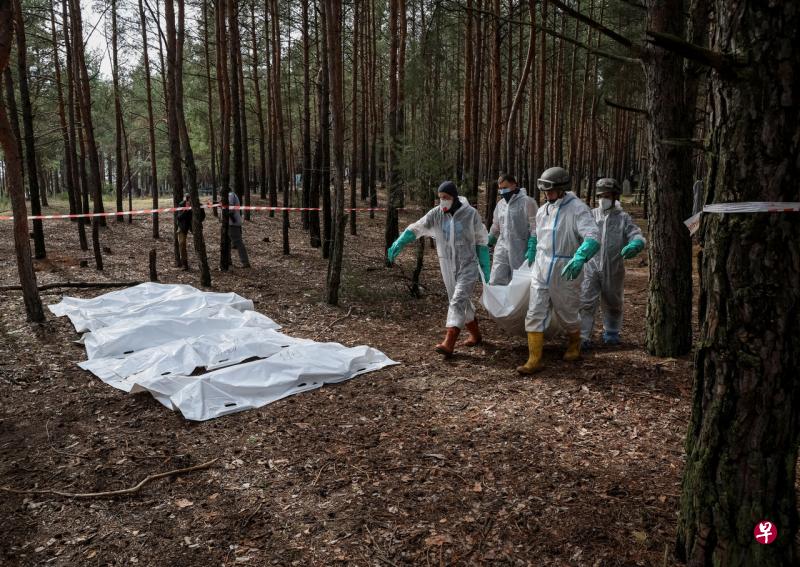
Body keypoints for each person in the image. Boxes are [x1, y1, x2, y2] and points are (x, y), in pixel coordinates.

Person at [387, 181, 490, 356]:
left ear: (455, 197)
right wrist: (401, 240)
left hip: (468, 264)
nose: (442, 201)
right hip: (447, 265)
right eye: (440, 198)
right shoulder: (436, 214)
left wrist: (485, 266)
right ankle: (476, 335)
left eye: (446, 198)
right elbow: (418, 226)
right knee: (458, 300)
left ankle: (449, 342)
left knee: (458, 299)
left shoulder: (470, 214)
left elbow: (481, 239)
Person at [517, 167, 600, 374]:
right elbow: (537, 232)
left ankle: (574, 344)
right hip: (542, 267)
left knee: (568, 312)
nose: (547, 195)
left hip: (566, 268)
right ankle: (534, 360)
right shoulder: (543, 209)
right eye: (544, 191)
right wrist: (532, 246)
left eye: (550, 190)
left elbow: (593, 236)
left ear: (563, 188)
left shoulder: (578, 208)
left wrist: (580, 256)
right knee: (535, 311)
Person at [579, 178, 646, 348]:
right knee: (586, 302)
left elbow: (635, 233)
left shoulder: (623, 217)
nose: (603, 199)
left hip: (613, 267)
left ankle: (611, 332)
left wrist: (636, 243)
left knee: (613, 302)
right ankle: (583, 336)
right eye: (600, 195)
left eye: (607, 195)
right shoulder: (591, 215)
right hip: (590, 266)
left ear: (615, 196)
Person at [487, 173, 538, 285]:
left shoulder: (527, 202)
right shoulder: (501, 204)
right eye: (500, 189)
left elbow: (535, 225)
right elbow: (496, 225)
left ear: (514, 185)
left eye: (505, 188)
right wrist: (490, 239)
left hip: (520, 249)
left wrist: (533, 243)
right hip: (502, 247)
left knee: (517, 282)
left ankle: (515, 303)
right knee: (496, 279)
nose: (502, 191)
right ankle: (497, 302)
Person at [222, 189, 251, 268]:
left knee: (238, 242)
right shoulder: (231, 195)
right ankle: (228, 261)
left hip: (233, 223)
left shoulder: (230, 195)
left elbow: (230, 208)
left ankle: (245, 262)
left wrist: (226, 213)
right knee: (228, 242)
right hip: (231, 222)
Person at [176, 193, 205, 270]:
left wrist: (195, 215)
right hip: (183, 225)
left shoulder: (199, 205)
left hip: (194, 226)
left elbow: (202, 217)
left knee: (200, 242)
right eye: (188, 199)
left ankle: (202, 263)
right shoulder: (181, 204)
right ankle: (184, 264)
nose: (189, 201)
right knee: (181, 243)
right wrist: (186, 210)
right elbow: (179, 217)